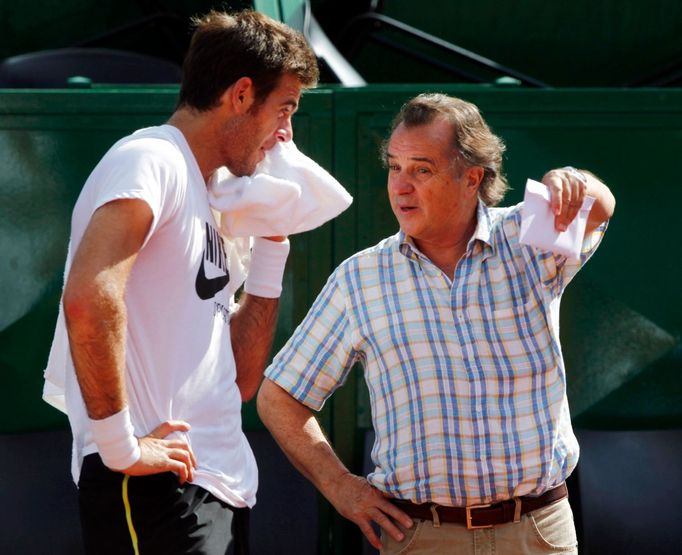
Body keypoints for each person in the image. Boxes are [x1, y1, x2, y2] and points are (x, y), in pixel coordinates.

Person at [257, 93, 615, 554]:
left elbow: (601, 208)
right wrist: (341, 486)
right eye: (394, 167)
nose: (401, 186)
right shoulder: (360, 279)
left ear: (472, 178)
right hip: (422, 537)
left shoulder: (528, 237)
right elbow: (279, 397)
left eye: (421, 169)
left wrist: (574, 181)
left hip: (538, 531)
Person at [42, 10, 318, 555]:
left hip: (220, 485)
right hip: (152, 487)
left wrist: (272, 250)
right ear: (241, 95)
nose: (286, 134)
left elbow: (238, 382)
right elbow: (88, 297)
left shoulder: (213, 196)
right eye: (283, 109)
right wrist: (120, 447)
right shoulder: (150, 159)